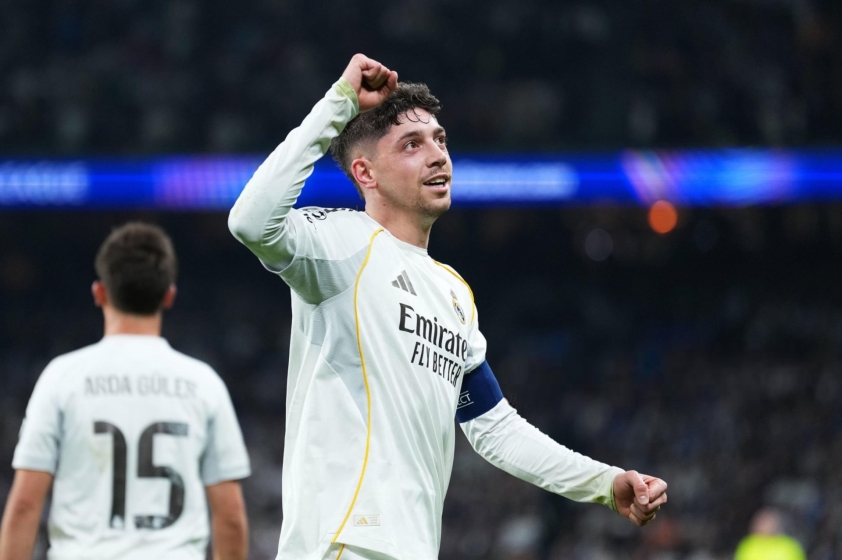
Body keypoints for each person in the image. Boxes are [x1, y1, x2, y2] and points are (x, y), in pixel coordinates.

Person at [229, 54, 668, 560]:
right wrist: (341, 101)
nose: (438, 155)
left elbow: (495, 428)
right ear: (365, 173)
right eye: (411, 145)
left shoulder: (452, 292)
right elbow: (249, 221)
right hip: (347, 540)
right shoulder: (339, 241)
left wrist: (605, 483)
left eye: (439, 140)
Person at [0, 222, 251, 560]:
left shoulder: (61, 377)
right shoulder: (204, 383)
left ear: (99, 293)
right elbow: (230, 517)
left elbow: (25, 505)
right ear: (169, 296)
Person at [734, 508, 807, 560]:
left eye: (765, 523)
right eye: (758, 522)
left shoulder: (789, 546)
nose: (759, 525)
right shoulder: (747, 544)